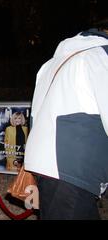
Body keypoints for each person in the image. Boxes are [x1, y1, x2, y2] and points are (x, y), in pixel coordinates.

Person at [24, 21, 108, 219]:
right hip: (70, 167)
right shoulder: (100, 56)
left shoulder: (53, 62)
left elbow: (35, 113)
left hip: (45, 164)